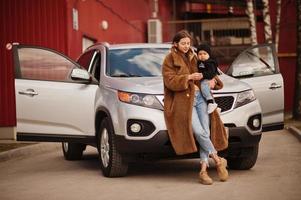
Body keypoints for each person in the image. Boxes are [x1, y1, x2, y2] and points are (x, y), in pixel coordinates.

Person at [162, 30, 228, 185]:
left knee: (205, 132)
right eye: (183, 43)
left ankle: (203, 171)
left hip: (201, 100)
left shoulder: (195, 55)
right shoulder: (169, 59)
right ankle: (218, 161)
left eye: (188, 43)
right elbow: (169, 81)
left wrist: (213, 80)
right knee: (199, 132)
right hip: (185, 102)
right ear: (175, 44)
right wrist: (189, 77)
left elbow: (207, 70)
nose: (186, 46)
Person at [196, 44, 220, 114]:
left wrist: (203, 75)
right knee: (206, 91)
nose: (202, 55)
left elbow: (212, 73)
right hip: (204, 78)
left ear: (209, 55)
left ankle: (210, 102)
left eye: (204, 54)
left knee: (204, 89)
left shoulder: (210, 63)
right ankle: (215, 107)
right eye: (200, 54)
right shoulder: (200, 62)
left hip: (208, 79)